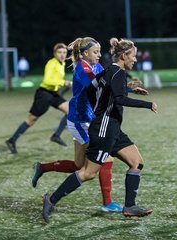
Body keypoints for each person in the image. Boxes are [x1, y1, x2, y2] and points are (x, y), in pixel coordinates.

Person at [41, 38, 158, 223]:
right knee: (87, 173)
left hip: (112, 128)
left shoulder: (109, 71)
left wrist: (118, 94)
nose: (135, 60)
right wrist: (147, 104)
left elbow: (93, 90)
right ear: (124, 55)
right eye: (133, 56)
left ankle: (130, 206)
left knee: (136, 162)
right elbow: (118, 99)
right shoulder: (115, 73)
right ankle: (51, 199)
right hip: (104, 128)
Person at [32, 37, 122, 212]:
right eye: (95, 52)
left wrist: (127, 86)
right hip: (81, 120)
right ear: (85, 53)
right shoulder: (82, 68)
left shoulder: (96, 66)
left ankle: (42, 167)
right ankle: (107, 203)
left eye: (99, 51)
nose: (98, 55)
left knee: (78, 165)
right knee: (106, 158)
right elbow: (101, 86)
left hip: (84, 119)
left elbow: (109, 80)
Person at [5, 43, 71, 153]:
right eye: (59, 52)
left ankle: (56, 135)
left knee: (71, 111)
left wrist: (61, 85)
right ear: (54, 54)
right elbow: (47, 81)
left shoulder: (62, 63)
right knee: (32, 119)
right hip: (44, 94)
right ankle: (12, 140)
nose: (62, 55)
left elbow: (55, 81)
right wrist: (63, 82)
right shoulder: (51, 63)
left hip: (53, 94)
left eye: (64, 52)